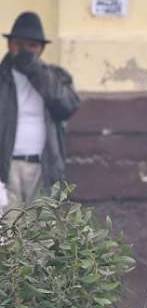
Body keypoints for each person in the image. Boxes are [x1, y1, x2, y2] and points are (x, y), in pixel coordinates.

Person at [0, 11, 79, 214]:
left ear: (42, 49)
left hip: (43, 168)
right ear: (10, 45)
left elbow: (67, 106)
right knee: (8, 237)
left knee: (42, 237)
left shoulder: (55, 77)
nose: (25, 51)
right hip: (6, 169)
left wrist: (35, 70)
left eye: (32, 46)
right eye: (19, 44)